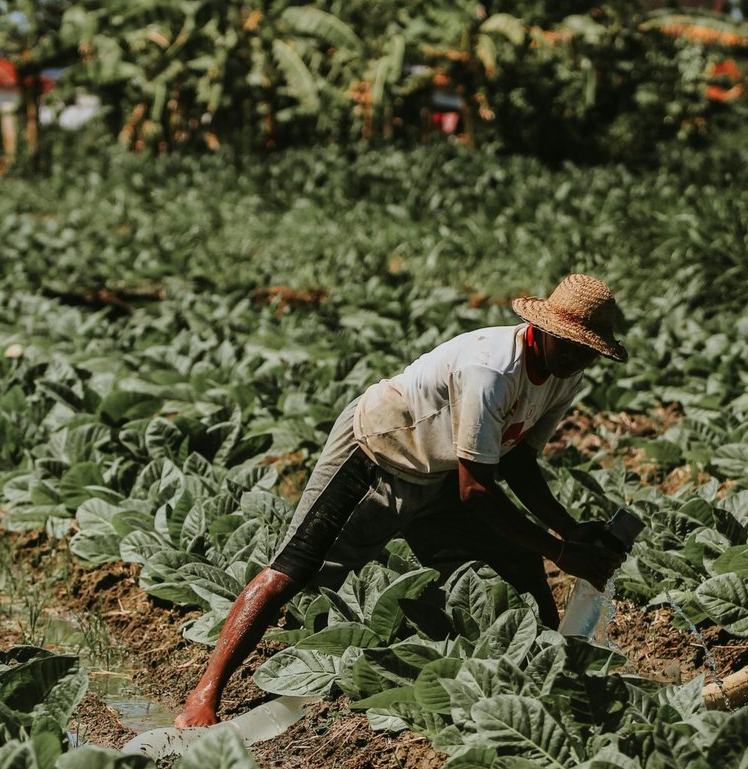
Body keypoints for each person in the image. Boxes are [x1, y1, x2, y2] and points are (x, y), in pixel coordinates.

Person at [175, 273, 629, 727]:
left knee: (520, 560)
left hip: (441, 468)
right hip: (379, 448)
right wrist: (561, 552)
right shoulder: (490, 371)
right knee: (293, 570)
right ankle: (204, 696)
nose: (576, 357)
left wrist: (567, 531)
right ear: (542, 330)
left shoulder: (564, 375)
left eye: (586, 350)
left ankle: (554, 676)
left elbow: (519, 461)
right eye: (568, 344)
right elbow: (476, 492)